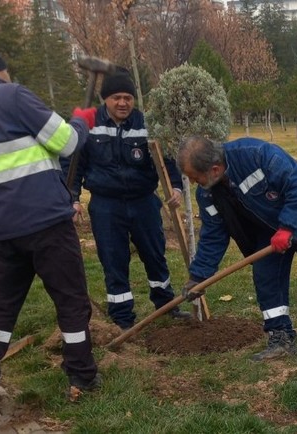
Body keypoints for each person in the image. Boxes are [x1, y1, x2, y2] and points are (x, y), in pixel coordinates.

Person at [177, 136, 297, 369]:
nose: (196, 183)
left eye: (196, 178)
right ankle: (281, 338)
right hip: (269, 229)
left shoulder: (257, 154)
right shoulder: (208, 194)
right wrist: (199, 276)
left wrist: (288, 227)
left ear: (214, 169)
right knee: (267, 279)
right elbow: (213, 235)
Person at [0, 53, 101, 392]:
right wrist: (81, 121)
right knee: (71, 300)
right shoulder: (12, 96)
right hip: (46, 224)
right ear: (2, 71)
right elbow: (67, 142)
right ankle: (81, 377)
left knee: (0, 309)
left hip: (2, 230)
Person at [65, 69, 190, 330]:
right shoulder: (89, 125)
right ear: (105, 100)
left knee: (155, 254)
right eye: (116, 98)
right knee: (113, 259)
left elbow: (167, 159)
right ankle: (122, 317)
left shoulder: (146, 124)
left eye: (128, 98)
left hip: (143, 201)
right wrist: (73, 198)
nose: (123, 103)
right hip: (105, 205)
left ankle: (166, 304)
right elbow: (73, 164)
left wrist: (176, 188)